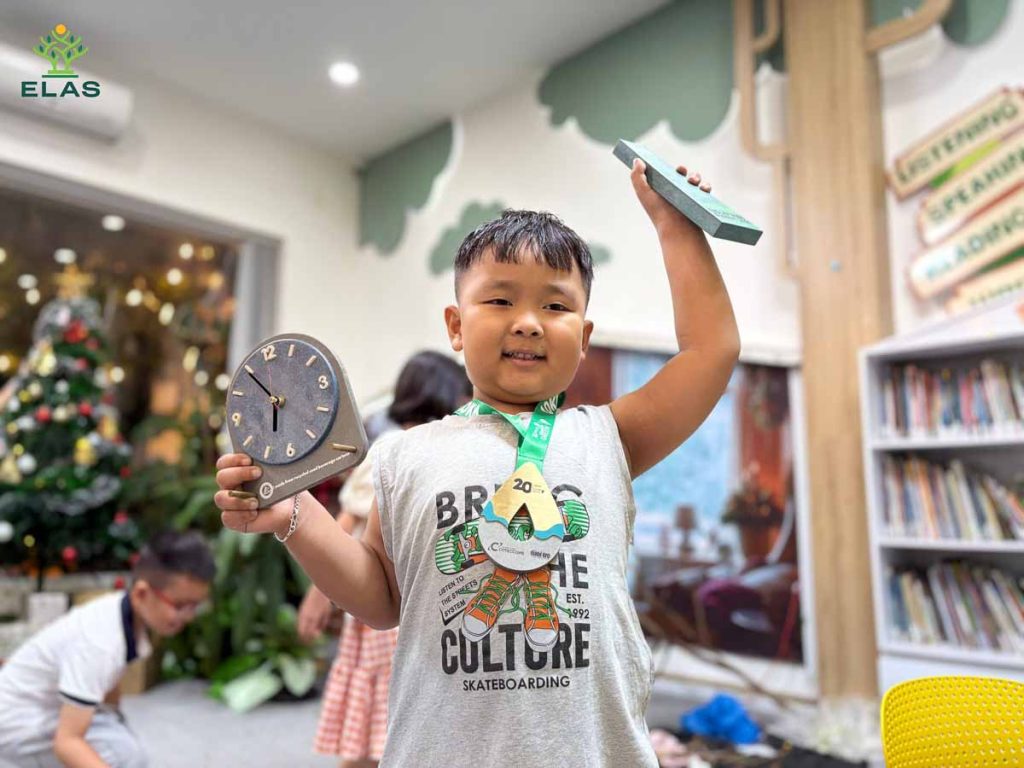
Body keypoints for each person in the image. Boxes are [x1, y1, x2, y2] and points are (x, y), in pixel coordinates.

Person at [215, 160, 739, 767]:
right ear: (456, 326)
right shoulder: (405, 453)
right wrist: (294, 512)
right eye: (500, 299)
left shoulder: (609, 437)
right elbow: (381, 600)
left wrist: (676, 226)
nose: (528, 322)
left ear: (584, 337)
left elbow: (711, 350)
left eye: (556, 306)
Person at [297, 351, 471, 766]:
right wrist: (318, 597)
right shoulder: (394, 451)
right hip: (387, 615)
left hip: (408, 608)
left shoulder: (436, 452)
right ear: (439, 396)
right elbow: (347, 522)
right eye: (463, 397)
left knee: (390, 723)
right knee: (379, 727)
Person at [0, 531, 214, 768]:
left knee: (122, 743)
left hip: (43, 708)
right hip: (16, 725)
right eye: (180, 605)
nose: (189, 616)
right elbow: (67, 743)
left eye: (195, 606)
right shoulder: (100, 644)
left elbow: (109, 685)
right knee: (123, 755)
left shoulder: (122, 614)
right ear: (142, 593)